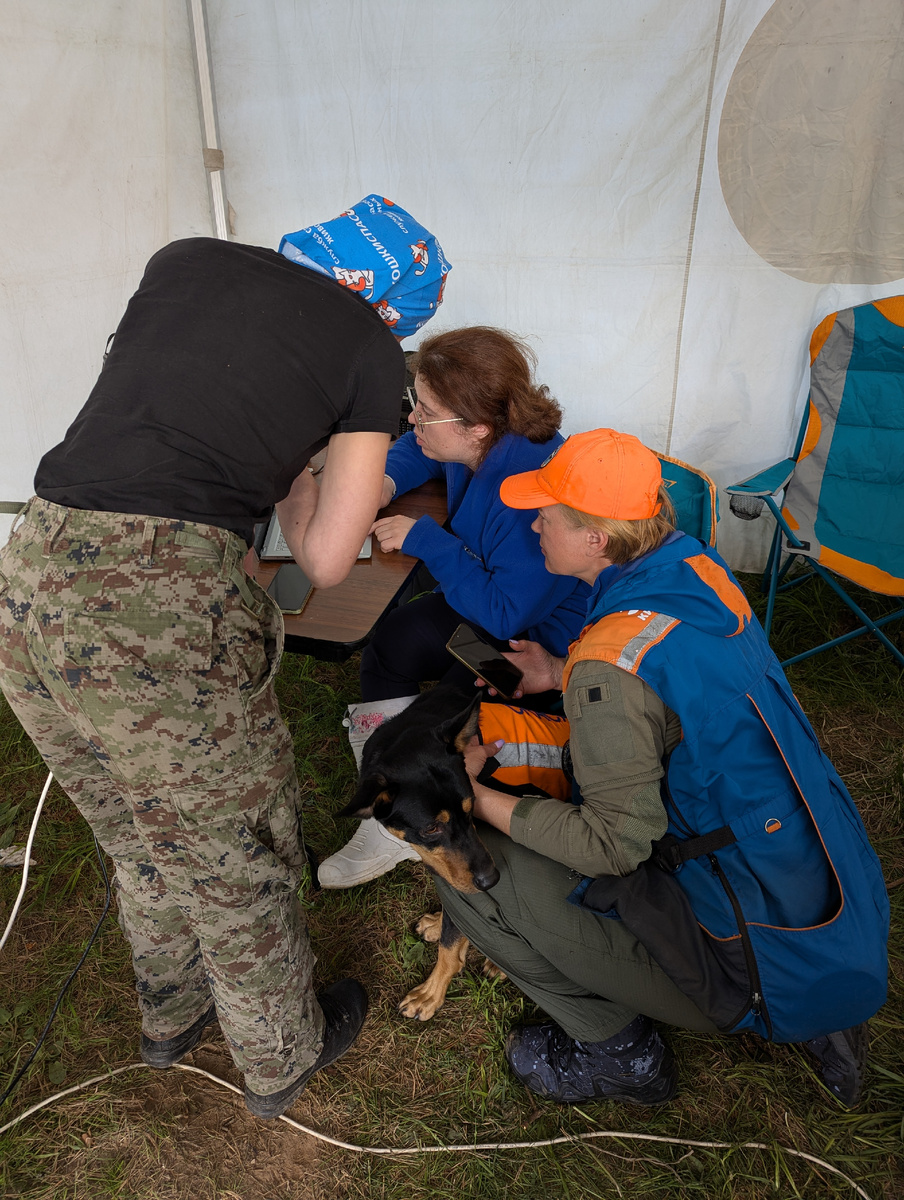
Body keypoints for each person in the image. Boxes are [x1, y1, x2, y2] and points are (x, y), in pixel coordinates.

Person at [0, 196, 450, 1120]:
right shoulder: (368, 348)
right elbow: (327, 556)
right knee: (232, 847)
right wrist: (304, 475)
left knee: (134, 822)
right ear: (393, 308)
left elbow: (166, 411)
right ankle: (281, 1053)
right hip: (154, 603)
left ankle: (172, 1012)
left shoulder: (184, 257)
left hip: (30, 569)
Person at [432, 428, 889, 1109]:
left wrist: (473, 796)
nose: (534, 524)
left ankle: (621, 1059)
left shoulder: (610, 669)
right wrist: (561, 671)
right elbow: (679, 692)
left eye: (548, 515)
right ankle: (813, 1002)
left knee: (468, 873)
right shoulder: (692, 569)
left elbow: (615, 847)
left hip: (735, 955)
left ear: (597, 540)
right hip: (812, 881)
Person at [318, 326, 591, 888]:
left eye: (426, 409)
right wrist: (385, 478)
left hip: (535, 638)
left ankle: (408, 815)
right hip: (486, 595)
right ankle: (390, 797)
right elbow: (421, 452)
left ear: (477, 427)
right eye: (416, 401)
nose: (413, 417)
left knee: (448, 700)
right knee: (391, 643)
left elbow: (503, 616)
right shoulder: (481, 441)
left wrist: (428, 539)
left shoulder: (531, 487)